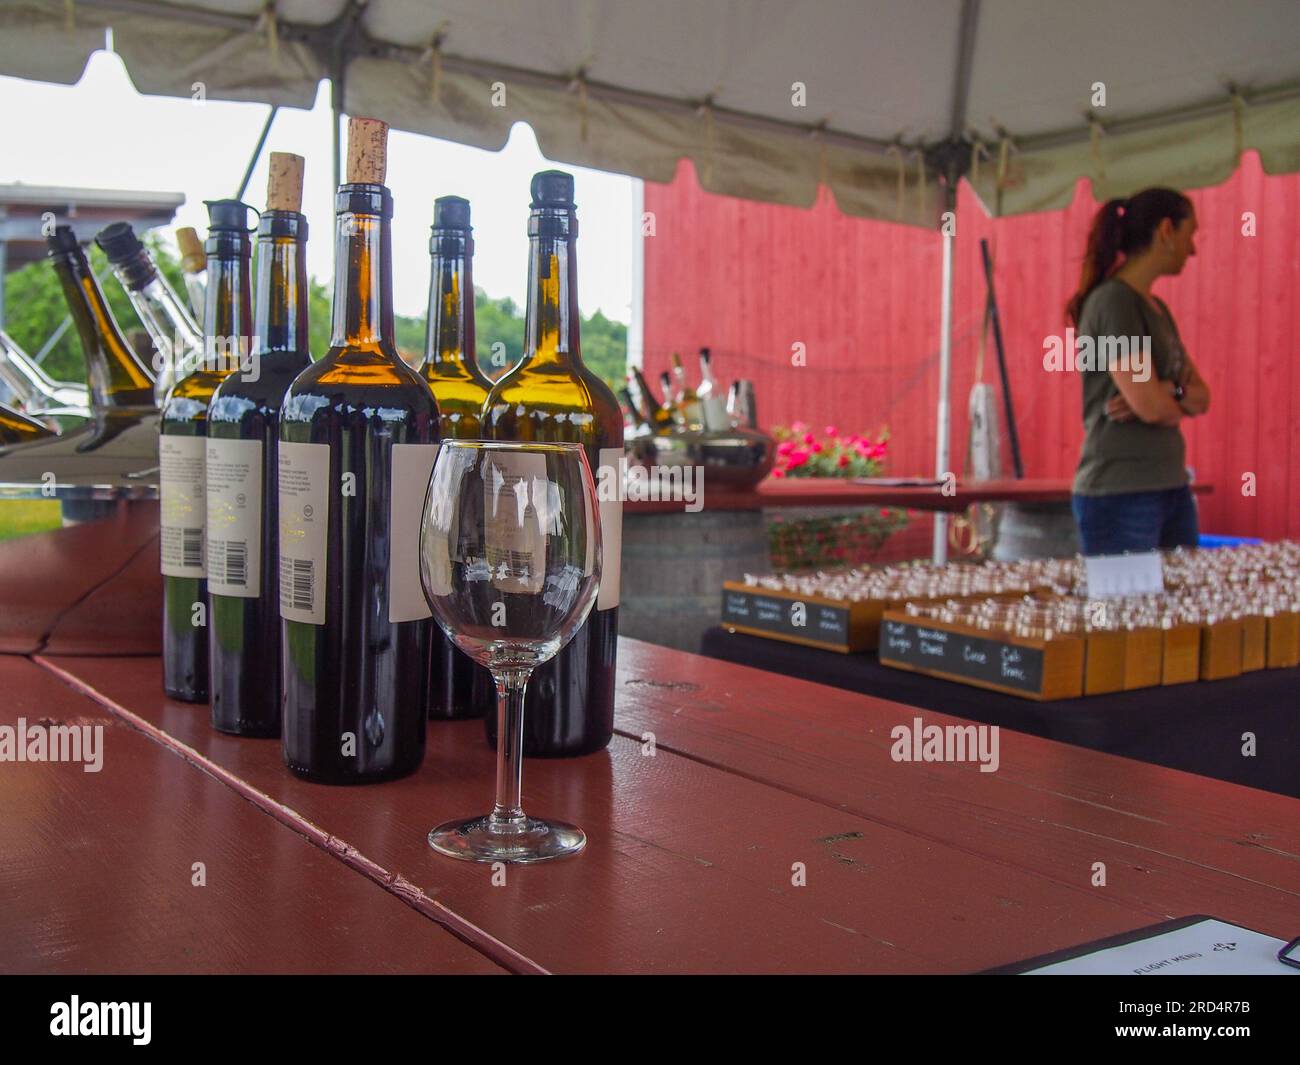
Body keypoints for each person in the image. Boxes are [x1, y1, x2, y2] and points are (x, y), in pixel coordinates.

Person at [1066, 187, 1211, 555]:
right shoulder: (1113, 302)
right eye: (1188, 234)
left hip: (1171, 484)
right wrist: (1166, 394)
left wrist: (1166, 391)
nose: (1192, 249)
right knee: (1126, 609)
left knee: (1178, 608)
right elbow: (1150, 406)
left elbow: (1202, 396)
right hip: (1121, 491)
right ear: (1165, 231)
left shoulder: (1157, 308)